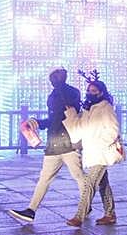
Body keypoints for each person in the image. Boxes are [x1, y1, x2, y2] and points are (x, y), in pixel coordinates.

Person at [8, 67, 86, 223]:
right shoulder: (64, 93)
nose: (52, 81)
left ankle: (85, 205)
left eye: (54, 78)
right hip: (56, 143)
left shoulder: (65, 94)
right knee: (51, 178)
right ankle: (31, 210)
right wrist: (39, 122)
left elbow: (60, 117)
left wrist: (40, 122)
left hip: (66, 143)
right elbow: (55, 118)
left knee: (78, 177)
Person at [63, 79, 122, 227]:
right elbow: (77, 131)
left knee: (89, 183)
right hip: (91, 153)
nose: (91, 93)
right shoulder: (88, 110)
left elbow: (113, 130)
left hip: (102, 153)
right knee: (103, 184)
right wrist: (70, 113)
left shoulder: (105, 108)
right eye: (89, 91)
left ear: (101, 92)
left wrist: (100, 144)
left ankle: (79, 216)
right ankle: (110, 214)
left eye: (94, 91)